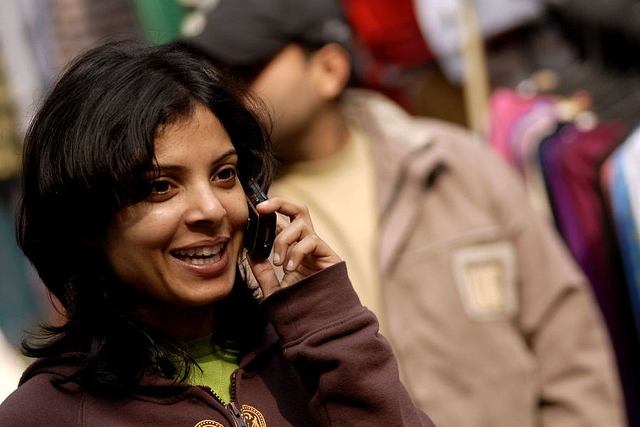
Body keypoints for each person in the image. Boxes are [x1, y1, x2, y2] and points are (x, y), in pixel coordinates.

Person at [176, 0, 628, 426]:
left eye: (246, 69)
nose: (224, 90)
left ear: (329, 69)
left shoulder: (453, 164)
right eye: (215, 74)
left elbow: (569, 340)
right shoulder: (231, 221)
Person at [0, 40, 435, 427]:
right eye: (160, 187)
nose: (211, 210)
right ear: (85, 222)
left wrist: (330, 321)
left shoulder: (312, 354)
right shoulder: (45, 414)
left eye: (225, 174)